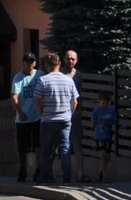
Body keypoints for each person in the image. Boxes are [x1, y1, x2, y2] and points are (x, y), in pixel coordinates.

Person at [34, 52, 80, 184]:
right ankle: (66, 177)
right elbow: (75, 101)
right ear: (59, 64)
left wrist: (42, 113)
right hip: (65, 119)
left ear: (47, 66)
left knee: (46, 149)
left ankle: (45, 176)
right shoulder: (69, 80)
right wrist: (69, 114)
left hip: (48, 120)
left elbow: (37, 100)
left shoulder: (42, 80)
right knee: (65, 148)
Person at [11, 53, 43, 182]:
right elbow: (14, 96)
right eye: (27, 61)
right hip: (23, 118)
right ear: (23, 63)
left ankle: (38, 170)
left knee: (38, 145)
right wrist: (20, 111)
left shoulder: (39, 75)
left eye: (32, 62)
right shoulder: (18, 78)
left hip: (37, 116)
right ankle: (22, 170)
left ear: (35, 63)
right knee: (22, 147)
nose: (30, 64)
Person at [62, 50, 89, 182]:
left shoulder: (79, 76)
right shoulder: (59, 74)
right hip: (61, 114)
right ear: (64, 59)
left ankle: (80, 174)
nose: (70, 61)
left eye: (73, 59)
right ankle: (63, 174)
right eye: (68, 58)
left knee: (77, 144)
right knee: (61, 144)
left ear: (77, 60)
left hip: (76, 114)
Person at [92, 92, 117, 184]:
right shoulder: (96, 111)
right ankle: (105, 176)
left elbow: (113, 121)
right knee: (103, 155)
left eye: (107, 103)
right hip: (100, 135)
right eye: (103, 103)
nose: (105, 105)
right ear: (99, 102)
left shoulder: (112, 110)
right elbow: (94, 123)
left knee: (107, 156)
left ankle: (100, 170)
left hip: (108, 134)